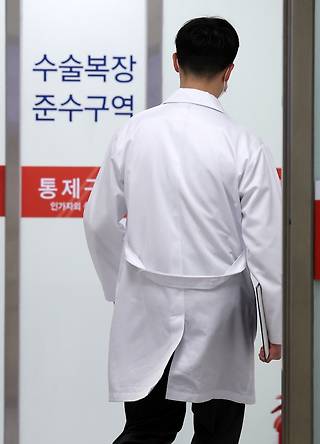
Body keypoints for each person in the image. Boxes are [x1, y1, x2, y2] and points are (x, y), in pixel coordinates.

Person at [83, 17, 282, 444]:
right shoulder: (245, 145)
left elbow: (98, 220)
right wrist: (275, 329)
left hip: (146, 308)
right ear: (230, 70)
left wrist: (123, 284)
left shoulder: (133, 133)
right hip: (223, 314)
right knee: (216, 435)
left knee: (147, 429)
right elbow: (268, 245)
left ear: (176, 62)